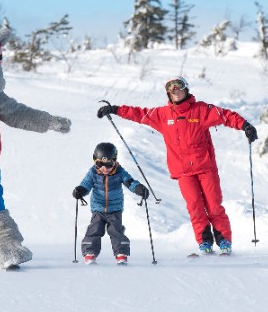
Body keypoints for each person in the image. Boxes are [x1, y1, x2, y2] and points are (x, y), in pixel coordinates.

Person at [97, 76, 258, 255]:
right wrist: (115, 109)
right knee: (195, 206)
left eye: (178, 87)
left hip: (205, 167)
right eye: (171, 89)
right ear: (168, 94)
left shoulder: (201, 110)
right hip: (183, 172)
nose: (175, 91)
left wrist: (245, 126)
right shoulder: (163, 115)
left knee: (214, 206)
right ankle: (204, 242)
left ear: (186, 89)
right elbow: (139, 114)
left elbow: (226, 116)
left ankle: (224, 241)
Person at [72, 142, 149, 265]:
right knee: (95, 229)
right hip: (98, 208)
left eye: (109, 164)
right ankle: (90, 252)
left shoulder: (119, 172)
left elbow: (130, 182)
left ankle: (121, 253)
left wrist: (139, 188)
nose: (105, 168)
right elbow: (86, 184)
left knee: (116, 230)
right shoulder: (93, 172)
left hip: (115, 209)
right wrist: (80, 190)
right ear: (95, 161)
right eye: (100, 164)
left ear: (114, 161)